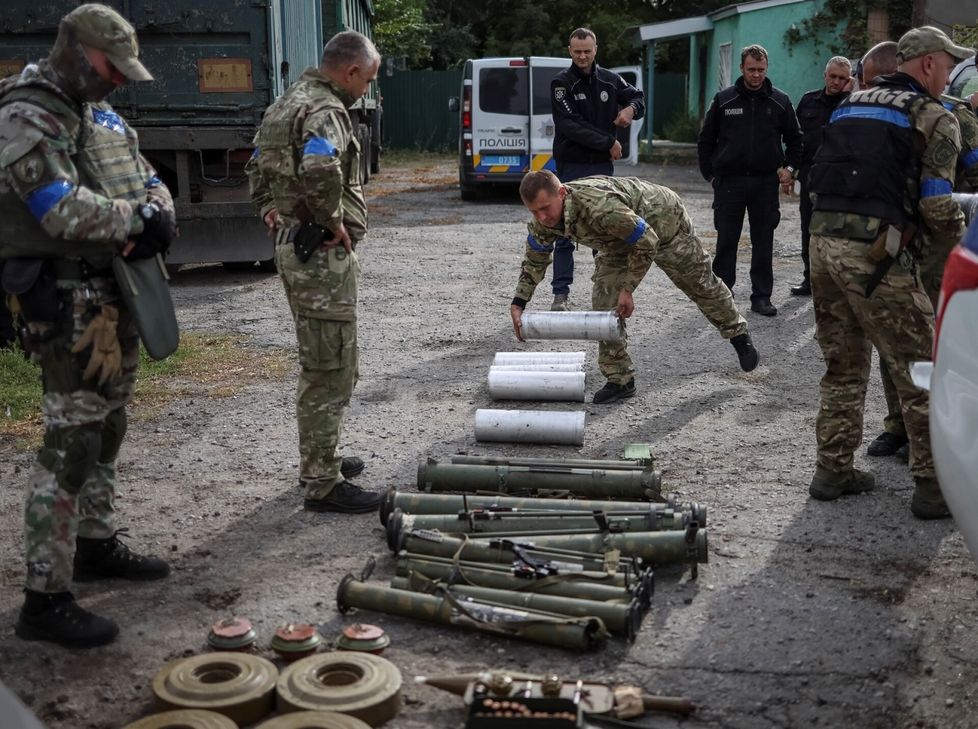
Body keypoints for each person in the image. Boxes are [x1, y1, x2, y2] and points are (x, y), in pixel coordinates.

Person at [0, 3, 175, 648]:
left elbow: (145, 174)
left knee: (109, 424)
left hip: (110, 297)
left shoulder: (93, 111)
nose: (119, 80)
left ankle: (95, 541)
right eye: (111, 67)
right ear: (75, 51)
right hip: (65, 302)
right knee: (70, 441)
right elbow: (59, 210)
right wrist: (138, 220)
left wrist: (157, 208)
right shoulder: (27, 114)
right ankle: (44, 598)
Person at [805, 26, 972, 519]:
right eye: (947, 64)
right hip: (874, 255)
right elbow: (938, 207)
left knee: (843, 362)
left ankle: (832, 469)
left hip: (820, 244)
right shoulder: (936, 117)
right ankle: (934, 486)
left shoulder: (850, 103)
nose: (949, 74)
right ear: (926, 65)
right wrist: (965, 242)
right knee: (922, 366)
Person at [247, 31, 382, 513]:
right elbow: (322, 165)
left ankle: (323, 457)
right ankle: (322, 482)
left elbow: (256, 163)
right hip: (320, 256)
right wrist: (330, 220)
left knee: (327, 358)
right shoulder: (326, 109)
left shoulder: (286, 103)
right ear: (349, 72)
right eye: (367, 79)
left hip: (296, 251)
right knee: (330, 367)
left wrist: (268, 206)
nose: (366, 88)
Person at [509, 171, 760, 404]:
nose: (542, 217)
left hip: (663, 222)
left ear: (561, 193)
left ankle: (738, 334)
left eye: (545, 208)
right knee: (604, 308)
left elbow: (647, 241)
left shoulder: (600, 208)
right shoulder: (542, 221)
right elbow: (534, 260)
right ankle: (620, 380)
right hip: (616, 242)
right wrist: (519, 303)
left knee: (700, 284)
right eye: (534, 211)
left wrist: (628, 288)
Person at [863, 43, 978, 459]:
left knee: (944, 339)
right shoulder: (939, 114)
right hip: (924, 239)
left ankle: (935, 429)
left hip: (947, 237)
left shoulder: (954, 115)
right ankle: (901, 427)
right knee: (902, 336)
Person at [697, 44, 803, 317]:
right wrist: (710, 174)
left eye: (761, 70)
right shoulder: (724, 100)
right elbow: (706, 140)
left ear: (767, 69)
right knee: (727, 241)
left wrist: (790, 168)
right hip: (729, 182)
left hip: (765, 183)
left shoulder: (780, 101)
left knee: (763, 241)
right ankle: (723, 297)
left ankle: (761, 297)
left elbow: (796, 140)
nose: (756, 75)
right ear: (741, 68)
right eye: (751, 69)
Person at [548, 28, 645, 312]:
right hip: (572, 165)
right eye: (577, 51)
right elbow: (570, 125)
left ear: (595, 49)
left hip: (602, 168)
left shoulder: (610, 79)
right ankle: (560, 294)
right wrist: (609, 141)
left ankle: (606, 291)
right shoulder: (561, 84)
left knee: (603, 228)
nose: (582, 56)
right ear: (570, 51)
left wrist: (630, 111)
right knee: (566, 228)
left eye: (587, 51)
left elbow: (638, 97)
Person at [788, 56, 852, 296]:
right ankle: (810, 278)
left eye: (842, 78)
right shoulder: (808, 101)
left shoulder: (851, 103)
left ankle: (836, 281)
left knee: (837, 230)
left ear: (849, 81)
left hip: (840, 180)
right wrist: (791, 169)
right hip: (811, 176)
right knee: (808, 228)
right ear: (825, 75)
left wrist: (849, 94)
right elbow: (797, 138)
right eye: (832, 76)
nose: (836, 81)